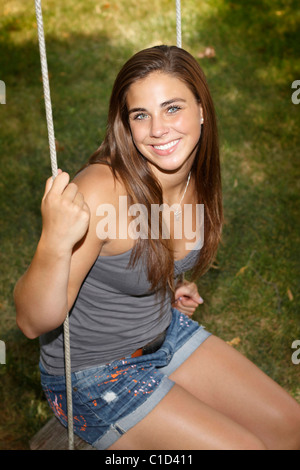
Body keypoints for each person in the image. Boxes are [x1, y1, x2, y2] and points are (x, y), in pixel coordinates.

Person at [14, 45, 300, 450]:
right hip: (93, 375)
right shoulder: (99, 191)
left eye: (172, 108)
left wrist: (162, 285)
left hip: (163, 333)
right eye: (140, 115)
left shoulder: (194, 174)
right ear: (126, 125)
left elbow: (142, 254)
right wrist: (54, 242)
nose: (158, 130)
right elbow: (31, 320)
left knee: (290, 426)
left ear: (202, 109)